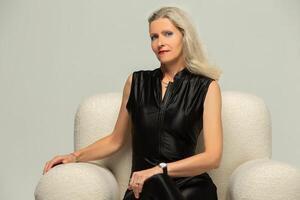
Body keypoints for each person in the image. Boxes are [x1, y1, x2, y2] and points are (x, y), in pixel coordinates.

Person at [43, 6, 223, 200]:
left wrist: (159, 170)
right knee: (154, 184)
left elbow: (212, 157)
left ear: (184, 36)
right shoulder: (136, 82)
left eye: (167, 34)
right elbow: (115, 140)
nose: (160, 42)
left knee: (167, 184)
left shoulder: (206, 87)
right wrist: (75, 156)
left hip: (190, 187)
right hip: (142, 188)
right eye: (154, 37)